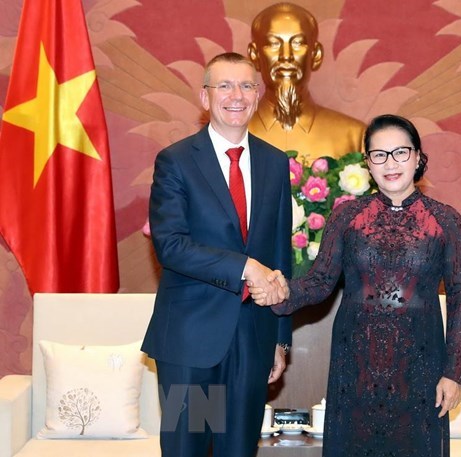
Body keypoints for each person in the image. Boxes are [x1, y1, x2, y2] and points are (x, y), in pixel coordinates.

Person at [251, 114, 461, 456]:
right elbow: (319, 283)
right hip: (355, 366)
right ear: (368, 163)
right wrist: (279, 292)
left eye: (400, 152)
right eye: (379, 155)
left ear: (417, 157)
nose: (390, 163)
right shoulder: (347, 217)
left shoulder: (447, 221)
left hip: (421, 365)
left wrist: (454, 373)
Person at [141, 52, 292, 457]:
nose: (236, 95)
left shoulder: (276, 163)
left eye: (246, 85)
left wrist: (280, 340)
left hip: (252, 339)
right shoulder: (176, 161)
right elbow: (170, 245)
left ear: (259, 96)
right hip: (192, 342)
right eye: (224, 85)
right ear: (205, 98)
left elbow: (279, 252)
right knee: (187, 449)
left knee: (238, 451)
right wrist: (245, 267)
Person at [247, 2, 365, 162]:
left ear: (316, 55)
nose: (286, 56)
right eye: (274, 43)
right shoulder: (226, 137)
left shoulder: (354, 137)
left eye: (297, 43)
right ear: (254, 55)